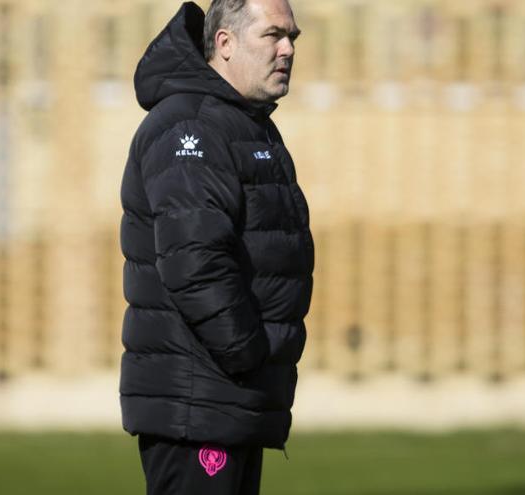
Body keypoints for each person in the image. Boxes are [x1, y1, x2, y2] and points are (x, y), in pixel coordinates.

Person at [118, 0, 313, 493]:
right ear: (224, 43)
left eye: (292, 36)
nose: (288, 49)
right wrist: (247, 355)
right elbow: (194, 262)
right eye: (273, 35)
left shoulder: (242, 123)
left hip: (228, 400)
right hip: (201, 403)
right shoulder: (193, 126)